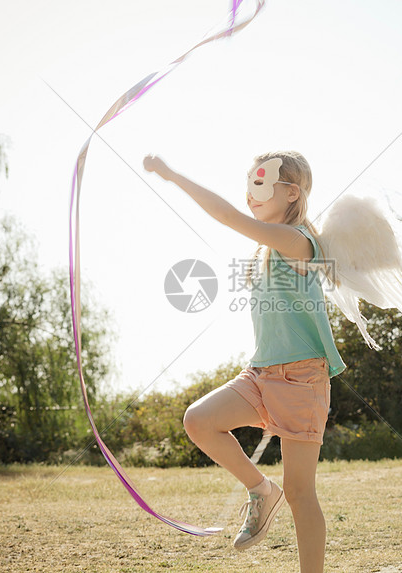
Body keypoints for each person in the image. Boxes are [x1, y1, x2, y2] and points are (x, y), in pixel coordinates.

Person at [144, 150, 345, 573]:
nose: (250, 193)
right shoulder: (263, 249)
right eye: (248, 184)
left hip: (302, 379)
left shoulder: (298, 242)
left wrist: (172, 174)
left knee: (301, 493)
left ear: (291, 192)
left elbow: (227, 216)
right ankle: (260, 490)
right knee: (198, 420)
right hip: (260, 372)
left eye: (260, 183)